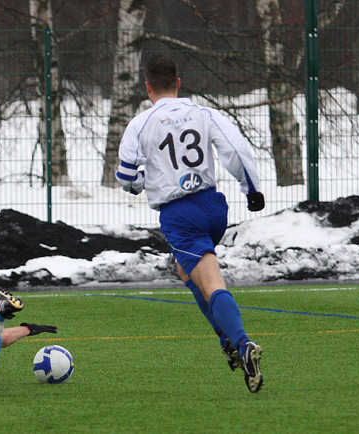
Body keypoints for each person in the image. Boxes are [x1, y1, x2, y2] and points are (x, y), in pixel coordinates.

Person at [116, 54, 266, 393]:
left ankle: (241, 344)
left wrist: (139, 183)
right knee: (188, 274)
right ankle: (227, 340)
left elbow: (127, 175)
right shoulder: (205, 113)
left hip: (180, 214)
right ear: (179, 83)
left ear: (148, 87)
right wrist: (252, 189)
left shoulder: (141, 122)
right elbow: (235, 149)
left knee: (211, 282)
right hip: (213, 207)